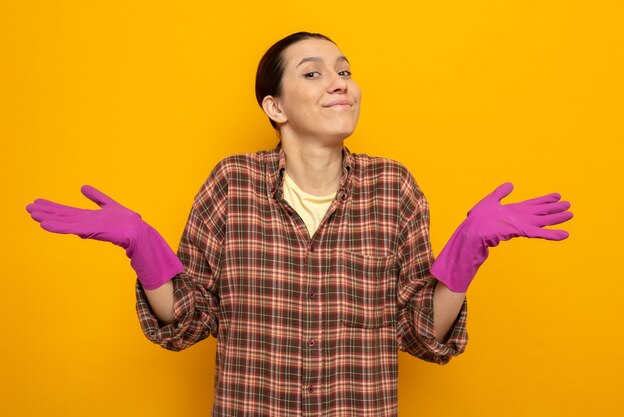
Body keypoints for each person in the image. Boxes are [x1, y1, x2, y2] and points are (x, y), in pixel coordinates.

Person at [26, 32, 573, 416]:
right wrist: (142, 245)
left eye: (345, 70)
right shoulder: (231, 184)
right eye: (313, 73)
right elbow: (189, 320)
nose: (340, 83)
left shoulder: (396, 189)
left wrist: (466, 251)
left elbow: (419, 333)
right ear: (276, 106)